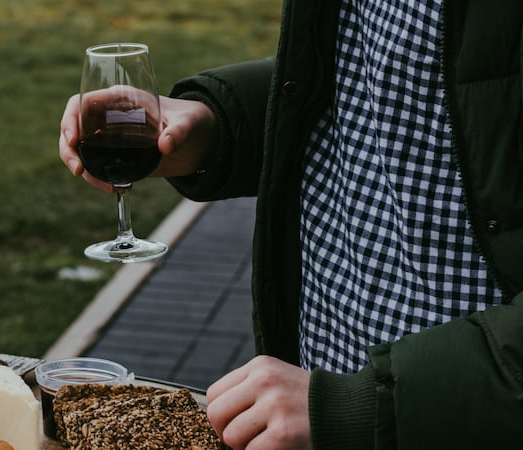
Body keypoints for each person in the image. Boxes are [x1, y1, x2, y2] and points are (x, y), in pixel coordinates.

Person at [59, 0, 523, 449]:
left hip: (440, 422)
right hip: (321, 391)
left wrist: (370, 407)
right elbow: (377, 89)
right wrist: (218, 122)